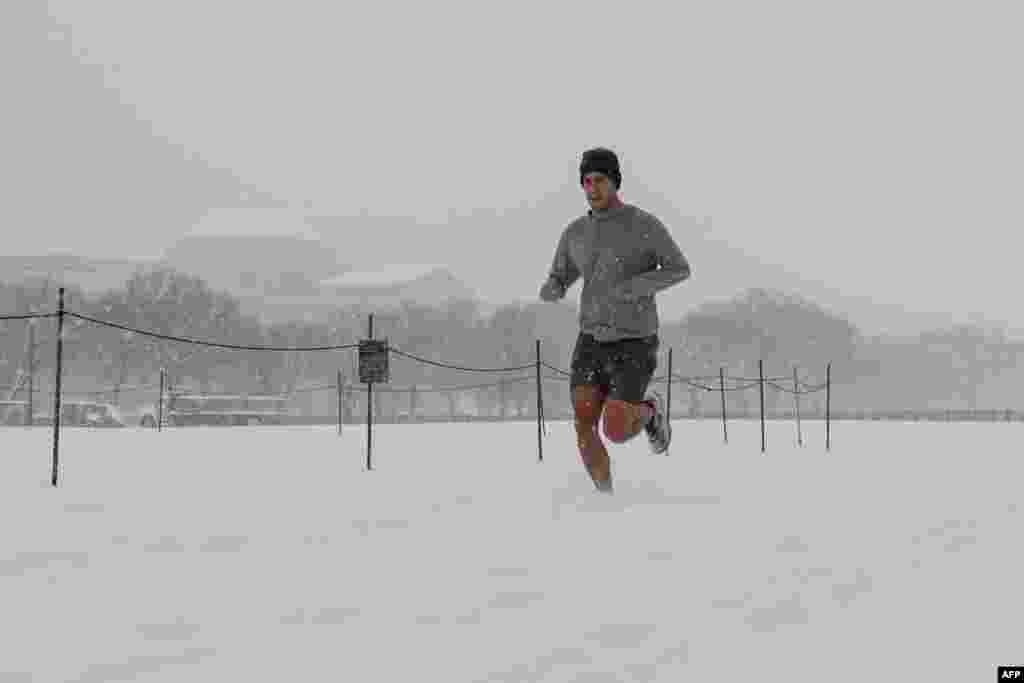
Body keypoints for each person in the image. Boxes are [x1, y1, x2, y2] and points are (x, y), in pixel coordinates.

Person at [539, 147, 691, 493]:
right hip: (591, 340)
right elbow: (561, 273)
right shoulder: (575, 232)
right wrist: (554, 286)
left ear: (615, 182)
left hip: (635, 339)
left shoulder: (644, 225)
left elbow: (679, 268)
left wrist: (637, 286)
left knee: (617, 430)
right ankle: (605, 503)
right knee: (584, 427)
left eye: (600, 180)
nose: (593, 188)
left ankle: (650, 411)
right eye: (587, 181)